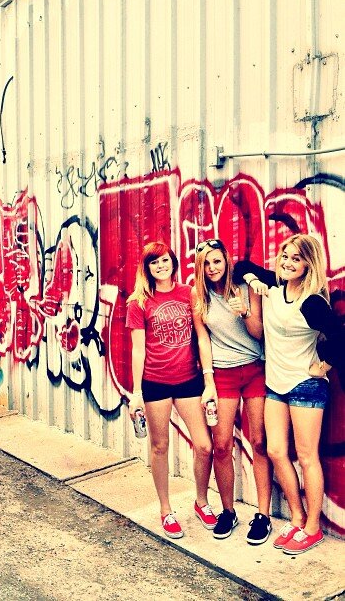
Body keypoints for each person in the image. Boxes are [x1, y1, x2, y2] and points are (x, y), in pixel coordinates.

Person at [234, 234, 344, 555]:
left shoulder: (311, 303)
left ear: (308, 264)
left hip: (305, 386)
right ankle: (297, 516)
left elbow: (340, 336)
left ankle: (312, 528)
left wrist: (323, 366)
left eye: (297, 259)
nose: (288, 262)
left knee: (307, 457)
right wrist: (254, 281)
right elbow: (241, 267)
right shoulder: (274, 285)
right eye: (285, 255)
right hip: (276, 385)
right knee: (275, 450)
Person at [126, 241, 217, 539]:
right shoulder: (139, 302)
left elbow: (202, 337)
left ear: (173, 262)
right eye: (154, 262)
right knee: (160, 446)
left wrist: (208, 379)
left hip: (189, 379)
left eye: (164, 260)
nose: (161, 266)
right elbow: (138, 349)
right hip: (155, 382)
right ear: (147, 268)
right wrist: (136, 393)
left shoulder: (189, 293)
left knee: (204, 445)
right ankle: (166, 510)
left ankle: (201, 501)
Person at [194, 239, 272, 544]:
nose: (212, 268)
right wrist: (208, 381)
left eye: (217, 261)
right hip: (222, 375)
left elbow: (259, 333)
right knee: (222, 445)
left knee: (259, 442)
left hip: (254, 369)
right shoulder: (198, 294)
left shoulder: (246, 286)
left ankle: (263, 515)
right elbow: (203, 339)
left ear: (226, 260)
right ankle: (228, 511)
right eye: (206, 263)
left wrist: (245, 312)